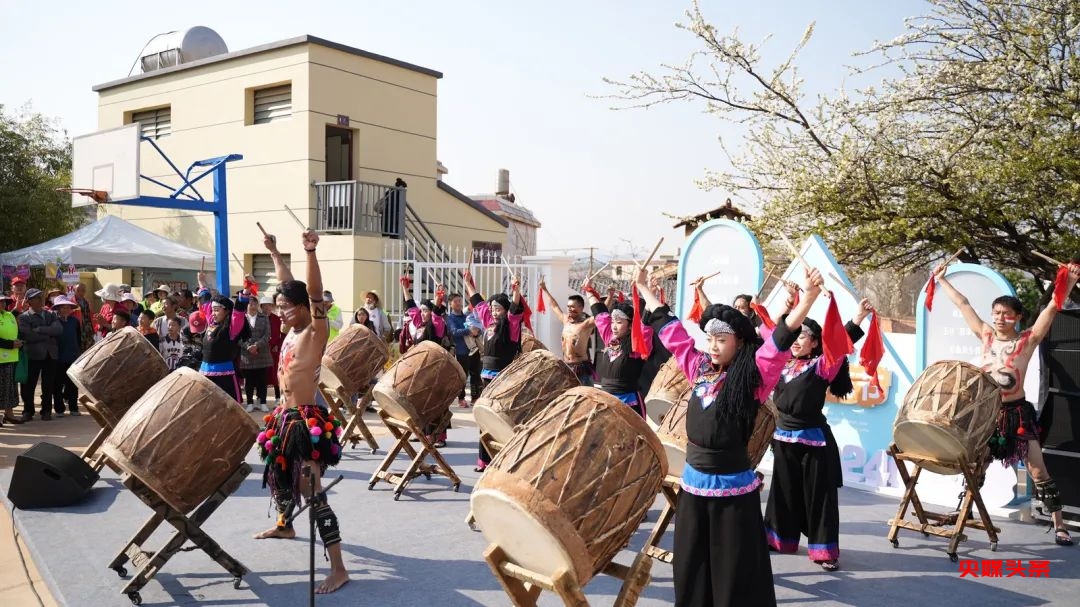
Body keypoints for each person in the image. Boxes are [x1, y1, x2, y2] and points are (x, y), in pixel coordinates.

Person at [637, 265, 823, 607]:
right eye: (710, 339)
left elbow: (780, 341)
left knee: (732, 569)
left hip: (732, 489)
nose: (713, 346)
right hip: (694, 484)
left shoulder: (754, 377)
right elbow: (671, 332)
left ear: (739, 343)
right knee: (692, 564)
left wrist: (808, 299)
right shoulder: (698, 369)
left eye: (721, 340)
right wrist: (645, 290)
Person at [936, 261, 1080, 546]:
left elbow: (1053, 307)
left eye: (1006, 314)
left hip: (1017, 414)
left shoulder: (1027, 341)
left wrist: (1070, 281)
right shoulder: (986, 335)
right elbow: (963, 304)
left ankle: (1059, 525)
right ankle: (964, 511)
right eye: (997, 313)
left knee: (1038, 471)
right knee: (976, 467)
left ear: (1017, 317)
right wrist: (941, 280)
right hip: (988, 413)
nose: (1000, 318)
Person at [253, 227, 349, 595]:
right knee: (279, 475)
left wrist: (309, 252)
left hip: (306, 421)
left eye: (285, 307)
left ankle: (338, 568)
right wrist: (275, 253)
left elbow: (311, 293)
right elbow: (289, 285)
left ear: (304, 308)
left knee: (313, 490)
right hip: (283, 417)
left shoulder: (314, 331)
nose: (280, 312)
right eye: (278, 307)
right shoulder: (291, 330)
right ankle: (285, 524)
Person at [763, 287, 874, 571]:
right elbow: (773, 334)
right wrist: (789, 305)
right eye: (795, 336)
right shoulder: (783, 363)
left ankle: (824, 550)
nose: (796, 341)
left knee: (819, 497)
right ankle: (779, 539)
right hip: (783, 437)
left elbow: (838, 344)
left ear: (814, 343)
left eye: (803, 336)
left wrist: (857, 319)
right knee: (783, 491)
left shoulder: (822, 366)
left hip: (813, 441)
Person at [463, 270, 524, 472]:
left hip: (503, 378)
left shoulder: (511, 326)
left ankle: (503, 459)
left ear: (505, 310)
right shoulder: (489, 323)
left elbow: (515, 308)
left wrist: (516, 290)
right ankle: (484, 460)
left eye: (498, 309)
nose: (494, 312)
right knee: (484, 417)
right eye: (493, 309)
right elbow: (478, 303)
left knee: (500, 418)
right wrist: (468, 283)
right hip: (486, 377)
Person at [581, 278, 652, 416]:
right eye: (612, 321)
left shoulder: (637, 344)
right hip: (605, 400)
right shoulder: (610, 338)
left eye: (619, 322)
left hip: (629, 403)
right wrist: (588, 290)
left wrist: (648, 292)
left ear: (630, 325)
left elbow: (646, 323)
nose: (613, 326)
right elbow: (599, 314)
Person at [398, 280, 450, 446]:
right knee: (420, 400)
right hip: (421, 368)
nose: (422, 313)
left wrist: (438, 297)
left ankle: (438, 436)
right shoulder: (418, 323)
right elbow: (410, 307)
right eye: (422, 310)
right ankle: (421, 431)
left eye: (426, 310)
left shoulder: (437, 325)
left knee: (435, 402)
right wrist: (405, 288)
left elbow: (436, 313)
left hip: (436, 368)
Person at [195, 273, 251, 402]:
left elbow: (239, 311)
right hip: (205, 372)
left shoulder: (232, 328)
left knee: (228, 405)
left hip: (224, 374)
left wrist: (247, 289)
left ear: (226, 311)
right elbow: (205, 301)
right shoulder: (211, 322)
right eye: (212, 310)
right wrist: (201, 282)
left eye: (217, 310)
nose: (213, 313)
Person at [538, 279, 596, 385]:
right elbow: (554, 306)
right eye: (568, 307)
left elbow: (601, 315)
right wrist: (544, 289)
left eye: (572, 307)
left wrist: (610, 296)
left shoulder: (585, 325)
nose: (569, 309)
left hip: (581, 369)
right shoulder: (566, 321)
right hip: (566, 367)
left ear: (581, 308)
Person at [18, 289, 63, 422]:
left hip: (50, 355)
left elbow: (58, 330)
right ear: (29, 301)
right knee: (29, 385)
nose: (40, 300)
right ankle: (28, 411)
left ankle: (46, 411)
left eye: (41, 297)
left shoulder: (51, 314)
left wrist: (40, 329)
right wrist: (49, 334)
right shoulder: (24, 317)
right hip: (33, 355)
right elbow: (28, 336)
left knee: (48, 385)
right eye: (36, 298)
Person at [446, 293, 482, 408]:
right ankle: (461, 398)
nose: (458, 303)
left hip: (474, 349)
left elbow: (477, 326)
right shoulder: (450, 318)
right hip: (461, 351)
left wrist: (477, 331)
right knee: (463, 376)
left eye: (460, 301)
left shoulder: (467, 315)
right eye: (455, 301)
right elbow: (454, 332)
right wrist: (468, 331)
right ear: (450, 304)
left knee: (475, 374)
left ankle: (475, 397)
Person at [50, 296, 84, 417]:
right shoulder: (53, 321)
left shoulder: (74, 321)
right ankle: (59, 409)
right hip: (57, 358)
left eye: (68, 307)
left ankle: (74, 408)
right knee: (57, 385)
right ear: (58, 309)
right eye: (63, 307)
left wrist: (78, 353)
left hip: (72, 357)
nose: (66, 309)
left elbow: (78, 339)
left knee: (72, 385)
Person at [240, 297, 272, 413]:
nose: (253, 306)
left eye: (255, 304)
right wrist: (248, 346)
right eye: (250, 304)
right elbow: (237, 336)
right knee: (248, 381)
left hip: (262, 353)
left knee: (262, 380)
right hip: (247, 354)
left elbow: (267, 334)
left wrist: (257, 345)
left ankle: (263, 402)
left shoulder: (264, 318)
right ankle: (250, 403)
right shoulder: (241, 318)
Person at [0, 294, 25, 426]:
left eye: (4, 302)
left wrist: (18, 343)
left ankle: (9, 414)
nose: (3, 304)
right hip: (1, 359)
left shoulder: (8, 315)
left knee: (10, 389)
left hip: (11, 358)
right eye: (0, 302)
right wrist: (10, 344)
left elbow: (14, 314)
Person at [261, 295, 283, 403]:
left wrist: (278, 345)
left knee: (275, 375)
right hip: (261, 351)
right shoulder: (258, 318)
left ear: (272, 306)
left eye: (269, 305)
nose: (267, 308)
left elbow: (282, 334)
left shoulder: (277, 319)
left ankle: (278, 397)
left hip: (274, 351)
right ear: (261, 307)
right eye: (264, 305)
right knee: (262, 375)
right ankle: (261, 398)